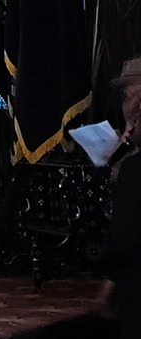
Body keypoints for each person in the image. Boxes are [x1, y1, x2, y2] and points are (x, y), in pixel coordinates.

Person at [100, 56, 141, 338]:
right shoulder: (129, 160)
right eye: (126, 97)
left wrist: (112, 278)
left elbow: (126, 235)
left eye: (133, 96)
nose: (129, 106)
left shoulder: (134, 168)